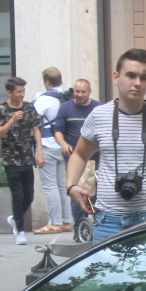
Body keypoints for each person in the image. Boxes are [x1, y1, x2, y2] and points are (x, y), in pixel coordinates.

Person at [65, 48, 146, 242]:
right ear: (116, 77)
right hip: (106, 221)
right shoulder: (98, 116)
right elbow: (79, 154)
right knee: (107, 274)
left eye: (144, 78)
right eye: (130, 75)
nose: (137, 83)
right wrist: (71, 186)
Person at [0, 76, 45, 245]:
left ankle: (16, 218)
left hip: (27, 158)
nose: (22, 94)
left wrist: (40, 152)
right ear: (9, 92)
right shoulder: (1, 109)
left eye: (23, 91)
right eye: (19, 91)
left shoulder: (29, 108)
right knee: (18, 196)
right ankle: (20, 231)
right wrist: (12, 120)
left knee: (29, 195)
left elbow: (36, 129)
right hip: (11, 159)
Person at [54, 79, 101, 236]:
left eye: (83, 92)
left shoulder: (98, 108)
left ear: (89, 92)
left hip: (96, 157)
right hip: (74, 156)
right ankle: (79, 229)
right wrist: (64, 144)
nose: (79, 95)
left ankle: (99, 226)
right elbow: (58, 131)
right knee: (75, 190)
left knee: (98, 192)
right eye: (77, 91)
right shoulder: (65, 108)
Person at [33, 67, 72, 234]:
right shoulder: (66, 97)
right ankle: (66, 221)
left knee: (50, 186)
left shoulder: (44, 99)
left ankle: (54, 222)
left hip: (47, 144)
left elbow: (32, 120)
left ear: (47, 82)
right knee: (62, 186)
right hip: (63, 145)